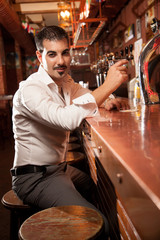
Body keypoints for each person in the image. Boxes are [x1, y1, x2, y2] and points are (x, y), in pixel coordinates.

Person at [11, 26, 128, 238]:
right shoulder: (30, 90)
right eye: (52, 54)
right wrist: (109, 87)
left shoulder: (64, 82)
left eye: (65, 52)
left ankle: (74, 222)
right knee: (101, 225)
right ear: (40, 56)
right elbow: (66, 120)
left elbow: (87, 96)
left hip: (60, 169)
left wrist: (108, 100)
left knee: (91, 186)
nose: (61, 61)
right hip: (35, 177)